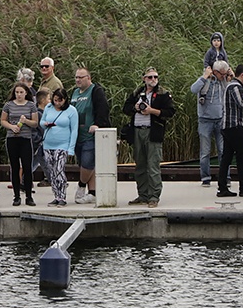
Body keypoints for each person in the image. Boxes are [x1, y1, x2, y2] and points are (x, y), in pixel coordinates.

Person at [122, 67, 175, 208]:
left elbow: (170, 112)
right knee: (140, 165)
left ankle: (153, 196)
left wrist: (152, 111)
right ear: (144, 79)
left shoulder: (163, 94)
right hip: (137, 131)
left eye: (155, 77)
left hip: (153, 131)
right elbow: (125, 108)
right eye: (150, 77)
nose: (153, 80)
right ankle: (143, 195)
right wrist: (136, 108)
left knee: (153, 165)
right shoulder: (137, 93)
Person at [70, 67, 110, 204]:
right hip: (77, 135)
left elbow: (103, 108)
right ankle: (92, 192)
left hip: (90, 135)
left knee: (88, 163)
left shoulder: (95, 91)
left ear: (88, 78)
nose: (78, 80)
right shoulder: (75, 93)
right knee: (84, 164)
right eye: (76, 77)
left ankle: (81, 186)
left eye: (81, 77)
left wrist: (98, 124)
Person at [218, 64, 243, 197]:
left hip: (229, 127)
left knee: (227, 157)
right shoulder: (235, 86)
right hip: (233, 126)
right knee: (242, 156)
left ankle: (222, 188)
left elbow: (241, 107)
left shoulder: (233, 86)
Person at [190, 61, 230, 187]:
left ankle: (225, 176)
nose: (223, 76)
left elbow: (229, 92)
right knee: (205, 151)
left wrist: (230, 77)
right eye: (222, 74)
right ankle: (205, 177)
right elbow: (193, 89)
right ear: (215, 72)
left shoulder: (223, 82)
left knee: (223, 150)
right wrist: (204, 77)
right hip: (205, 120)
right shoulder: (205, 81)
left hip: (220, 120)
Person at [0, 82, 39, 206]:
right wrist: (11, 127)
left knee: (27, 167)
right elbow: (3, 120)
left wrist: (25, 121)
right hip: (12, 138)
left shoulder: (31, 105)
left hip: (25, 138)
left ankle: (28, 196)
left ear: (26, 93)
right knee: (14, 167)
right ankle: (16, 196)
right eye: (17, 92)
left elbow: (35, 123)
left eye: (21, 92)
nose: (19, 95)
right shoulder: (9, 105)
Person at [41, 88, 78, 207]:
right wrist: (45, 124)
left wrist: (71, 148)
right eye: (55, 100)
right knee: (51, 171)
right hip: (48, 144)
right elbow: (41, 122)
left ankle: (62, 196)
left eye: (60, 101)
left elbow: (74, 130)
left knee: (59, 170)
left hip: (62, 145)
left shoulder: (71, 111)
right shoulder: (48, 108)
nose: (57, 103)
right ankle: (56, 195)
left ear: (65, 100)